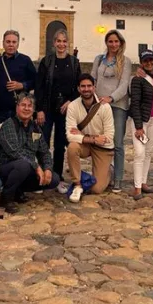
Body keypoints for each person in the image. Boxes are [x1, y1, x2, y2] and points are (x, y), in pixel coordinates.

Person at [0, 94, 60, 214]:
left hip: (26, 168)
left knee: (54, 179)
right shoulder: (9, 124)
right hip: (4, 167)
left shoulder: (36, 128)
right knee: (23, 165)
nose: (26, 108)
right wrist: (37, 166)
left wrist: (47, 168)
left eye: (29, 106)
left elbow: (44, 152)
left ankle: (18, 189)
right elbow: (14, 151)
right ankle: (6, 198)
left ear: (33, 110)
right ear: (17, 107)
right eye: (23, 105)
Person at [36, 29, 80, 193]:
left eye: (64, 41)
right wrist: (39, 109)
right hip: (47, 109)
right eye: (58, 41)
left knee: (61, 144)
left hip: (65, 111)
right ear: (54, 43)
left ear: (67, 43)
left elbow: (78, 87)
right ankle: (42, 176)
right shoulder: (46, 62)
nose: (61, 44)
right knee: (43, 142)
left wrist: (70, 101)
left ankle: (57, 177)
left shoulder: (74, 63)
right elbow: (39, 87)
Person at [91, 30, 133, 193]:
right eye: (110, 41)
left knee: (117, 143)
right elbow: (93, 79)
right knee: (100, 141)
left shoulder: (126, 61)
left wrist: (111, 98)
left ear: (121, 43)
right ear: (106, 42)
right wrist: (94, 98)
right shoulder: (98, 60)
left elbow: (124, 85)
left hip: (117, 106)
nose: (113, 44)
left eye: (116, 41)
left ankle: (118, 179)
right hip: (99, 106)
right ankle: (103, 174)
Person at [66, 74, 115, 202]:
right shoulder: (73, 106)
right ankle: (77, 184)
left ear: (94, 87)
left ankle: (108, 171)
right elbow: (70, 135)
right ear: (78, 88)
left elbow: (109, 137)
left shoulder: (105, 107)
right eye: (83, 86)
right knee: (72, 147)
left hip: (103, 147)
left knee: (97, 189)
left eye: (89, 86)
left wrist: (81, 135)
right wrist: (92, 139)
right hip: (86, 145)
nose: (86, 89)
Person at [128, 49, 153, 200]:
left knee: (148, 151)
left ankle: (143, 182)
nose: (149, 63)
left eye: (151, 60)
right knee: (139, 153)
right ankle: (137, 187)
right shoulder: (137, 80)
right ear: (141, 63)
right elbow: (134, 103)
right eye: (145, 61)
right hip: (141, 121)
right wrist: (139, 126)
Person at [0, 30, 37, 125]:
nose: (11, 45)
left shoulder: (25, 60)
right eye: (8, 42)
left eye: (14, 42)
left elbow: (36, 81)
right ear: (3, 43)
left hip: (19, 111)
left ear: (18, 44)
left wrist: (22, 85)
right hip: (0, 112)